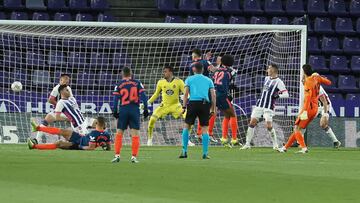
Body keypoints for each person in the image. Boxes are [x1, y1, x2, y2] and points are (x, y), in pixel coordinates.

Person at [278, 65, 331, 153]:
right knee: (298, 129)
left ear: (304, 72)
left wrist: (304, 111)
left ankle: (304, 148)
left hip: (308, 109)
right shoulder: (316, 77)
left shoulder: (308, 82)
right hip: (315, 108)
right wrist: (321, 78)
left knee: (296, 128)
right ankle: (285, 148)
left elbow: (308, 97)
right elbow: (328, 82)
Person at [241, 64, 289, 150]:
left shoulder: (279, 82)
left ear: (273, 70)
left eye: (269, 68)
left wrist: (278, 96)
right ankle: (247, 144)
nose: (267, 70)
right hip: (259, 105)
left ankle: (275, 144)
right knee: (252, 123)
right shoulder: (266, 78)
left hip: (268, 107)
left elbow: (286, 94)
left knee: (269, 126)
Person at [146, 66, 195, 146]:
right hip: (164, 105)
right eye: (164, 71)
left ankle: (186, 139)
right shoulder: (160, 82)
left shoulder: (179, 81)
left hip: (176, 106)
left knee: (190, 119)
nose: (164, 73)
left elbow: (186, 93)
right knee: (152, 120)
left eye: (165, 71)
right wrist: (148, 102)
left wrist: (188, 97)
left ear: (170, 72)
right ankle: (150, 139)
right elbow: (156, 94)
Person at [111, 67, 149, 163]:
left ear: (122, 74)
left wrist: (115, 110)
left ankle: (117, 155)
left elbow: (115, 99)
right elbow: (144, 96)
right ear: (131, 74)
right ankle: (134, 157)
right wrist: (145, 109)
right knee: (135, 134)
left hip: (123, 109)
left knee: (119, 132)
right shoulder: (137, 83)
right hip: (134, 110)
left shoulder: (119, 84)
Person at [179, 62, 216, 159]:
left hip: (193, 103)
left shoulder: (189, 79)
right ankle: (205, 153)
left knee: (187, 126)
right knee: (205, 129)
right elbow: (213, 96)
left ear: (194, 69)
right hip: (204, 104)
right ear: (203, 70)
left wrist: (183, 107)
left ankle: (184, 151)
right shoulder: (208, 80)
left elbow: (186, 94)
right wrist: (213, 109)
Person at [28, 116, 111, 151]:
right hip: (81, 137)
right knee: (63, 131)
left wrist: (79, 147)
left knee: (59, 143)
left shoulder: (94, 133)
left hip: (79, 143)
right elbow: (108, 148)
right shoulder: (107, 134)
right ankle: (38, 128)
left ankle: (34, 146)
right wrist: (104, 146)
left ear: (96, 123)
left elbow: (91, 148)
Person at [35, 74, 73, 143]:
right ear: (61, 80)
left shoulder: (68, 88)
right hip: (59, 111)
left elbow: (71, 100)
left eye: (68, 81)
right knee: (46, 121)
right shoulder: (57, 88)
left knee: (74, 122)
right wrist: (59, 105)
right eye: (65, 81)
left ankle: (78, 138)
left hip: (66, 112)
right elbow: (50, 100)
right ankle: (37, 140)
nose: (67, 83)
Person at [213, 54, 240, 147]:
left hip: (215, 94)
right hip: (222, 95)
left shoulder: (217, 71)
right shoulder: (228, 72)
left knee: (227, 115)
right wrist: (228, 95)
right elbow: (223, 86)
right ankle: (234, 139)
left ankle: (224, 138)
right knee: (233, 114)